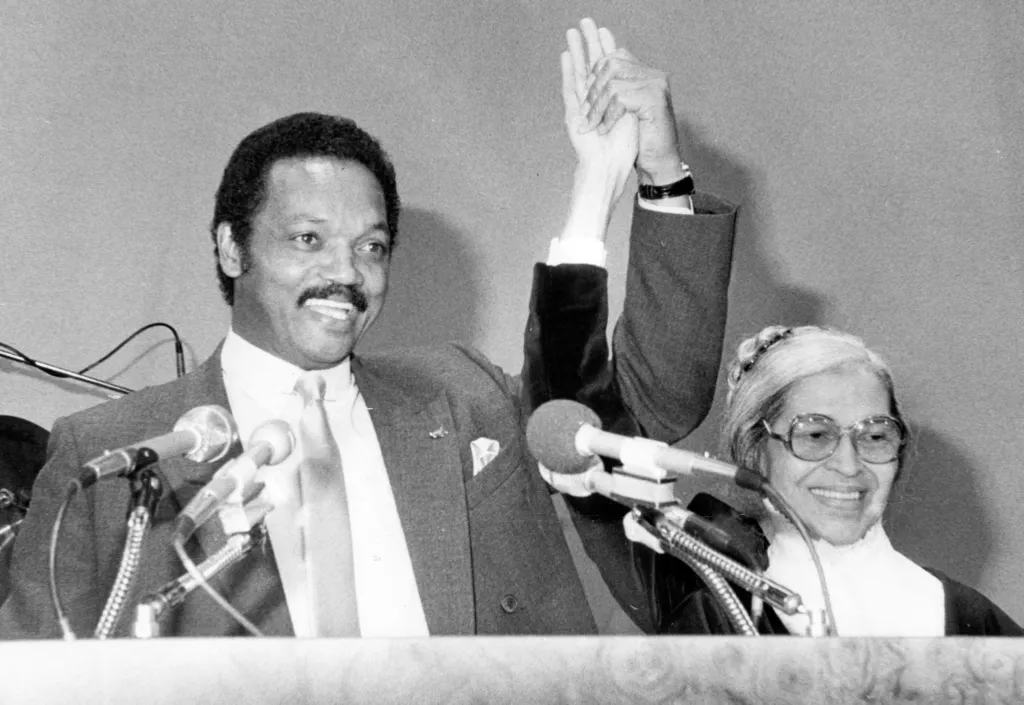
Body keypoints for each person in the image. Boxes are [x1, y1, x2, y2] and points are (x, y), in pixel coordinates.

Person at [0, 19, 737, 638]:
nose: (346, 273)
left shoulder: (462, 396)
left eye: (372, 245)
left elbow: (645, 406)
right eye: (308, 240)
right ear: (231, 246)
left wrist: (629, 179)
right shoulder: (112, 455)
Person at [624, 325, 1023, 636]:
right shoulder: (715, 603)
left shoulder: (970, 617)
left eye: (874, 436)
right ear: (754, 450)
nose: (849, 466)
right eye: (815, 435)